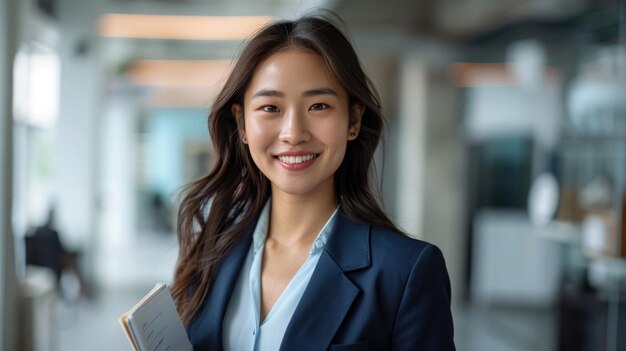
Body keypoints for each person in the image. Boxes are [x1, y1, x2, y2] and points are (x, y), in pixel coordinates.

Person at [172, 11, 455, 350]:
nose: (293, 133)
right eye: (270, 108)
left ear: (353, 120)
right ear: (241, 123)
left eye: (319, 106)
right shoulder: (212, 250)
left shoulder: (406, 272)